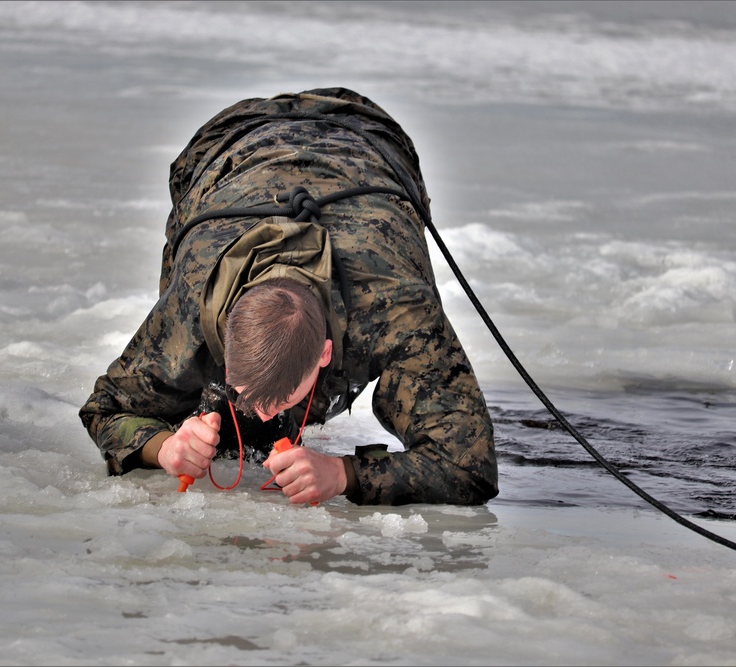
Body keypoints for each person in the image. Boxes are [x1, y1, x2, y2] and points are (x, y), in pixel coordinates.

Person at [79, 87, 498, 506]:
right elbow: (106, 408)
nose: (263, 414)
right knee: (214, 421)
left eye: (280, 399)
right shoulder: (194, 292)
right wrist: (164, 447)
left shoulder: (397, 310)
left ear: (325, 353)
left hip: (368, 140)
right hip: (224, 148)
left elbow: (468, 467)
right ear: (225, 334)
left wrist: (343, 474)